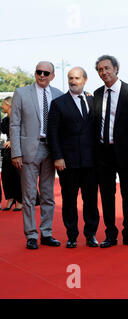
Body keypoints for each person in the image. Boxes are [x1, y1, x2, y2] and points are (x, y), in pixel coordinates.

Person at [10, 61, 63, 249]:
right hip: (28, 150)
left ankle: (46, 233)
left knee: (48, 195)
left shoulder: (58, 95)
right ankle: (31, 235)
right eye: (39, 72)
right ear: (35, 73)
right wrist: (16, 152)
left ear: (52, 76)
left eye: (46, 73)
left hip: (51, 150)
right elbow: (14, 124)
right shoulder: (21, 93)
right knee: (29, 195)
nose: (42, 75)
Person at [47, 67, 100, 248]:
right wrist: (58, 157)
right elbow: (52, 133)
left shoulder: (93, 101)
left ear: (84, 79)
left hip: (91, 161)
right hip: (67, 162)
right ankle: (72, 236)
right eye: (70, 78)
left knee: (91, 200)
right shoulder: (58, 103)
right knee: (69, 200)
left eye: (77, 78)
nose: (73, 81)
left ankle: (91, 234)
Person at [93, 55, 128, 248]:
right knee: (106, 195)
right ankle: (110, 234)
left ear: (116, 68)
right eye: (100, 70)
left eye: (107, 68)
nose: (104, 72)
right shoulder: (96, 94)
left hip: (126, 153)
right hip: (103, 153)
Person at [1, 97, 22, 211]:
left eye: (3, 104)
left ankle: (20, 200)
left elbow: (25, 133)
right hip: (6, 151)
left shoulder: (19, 118)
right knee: (6, 175)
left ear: (9, 105)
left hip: (18, 149)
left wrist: (12, 141)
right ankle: (10, 198)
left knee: (16, 176)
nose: (1, 106)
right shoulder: (4, 120)